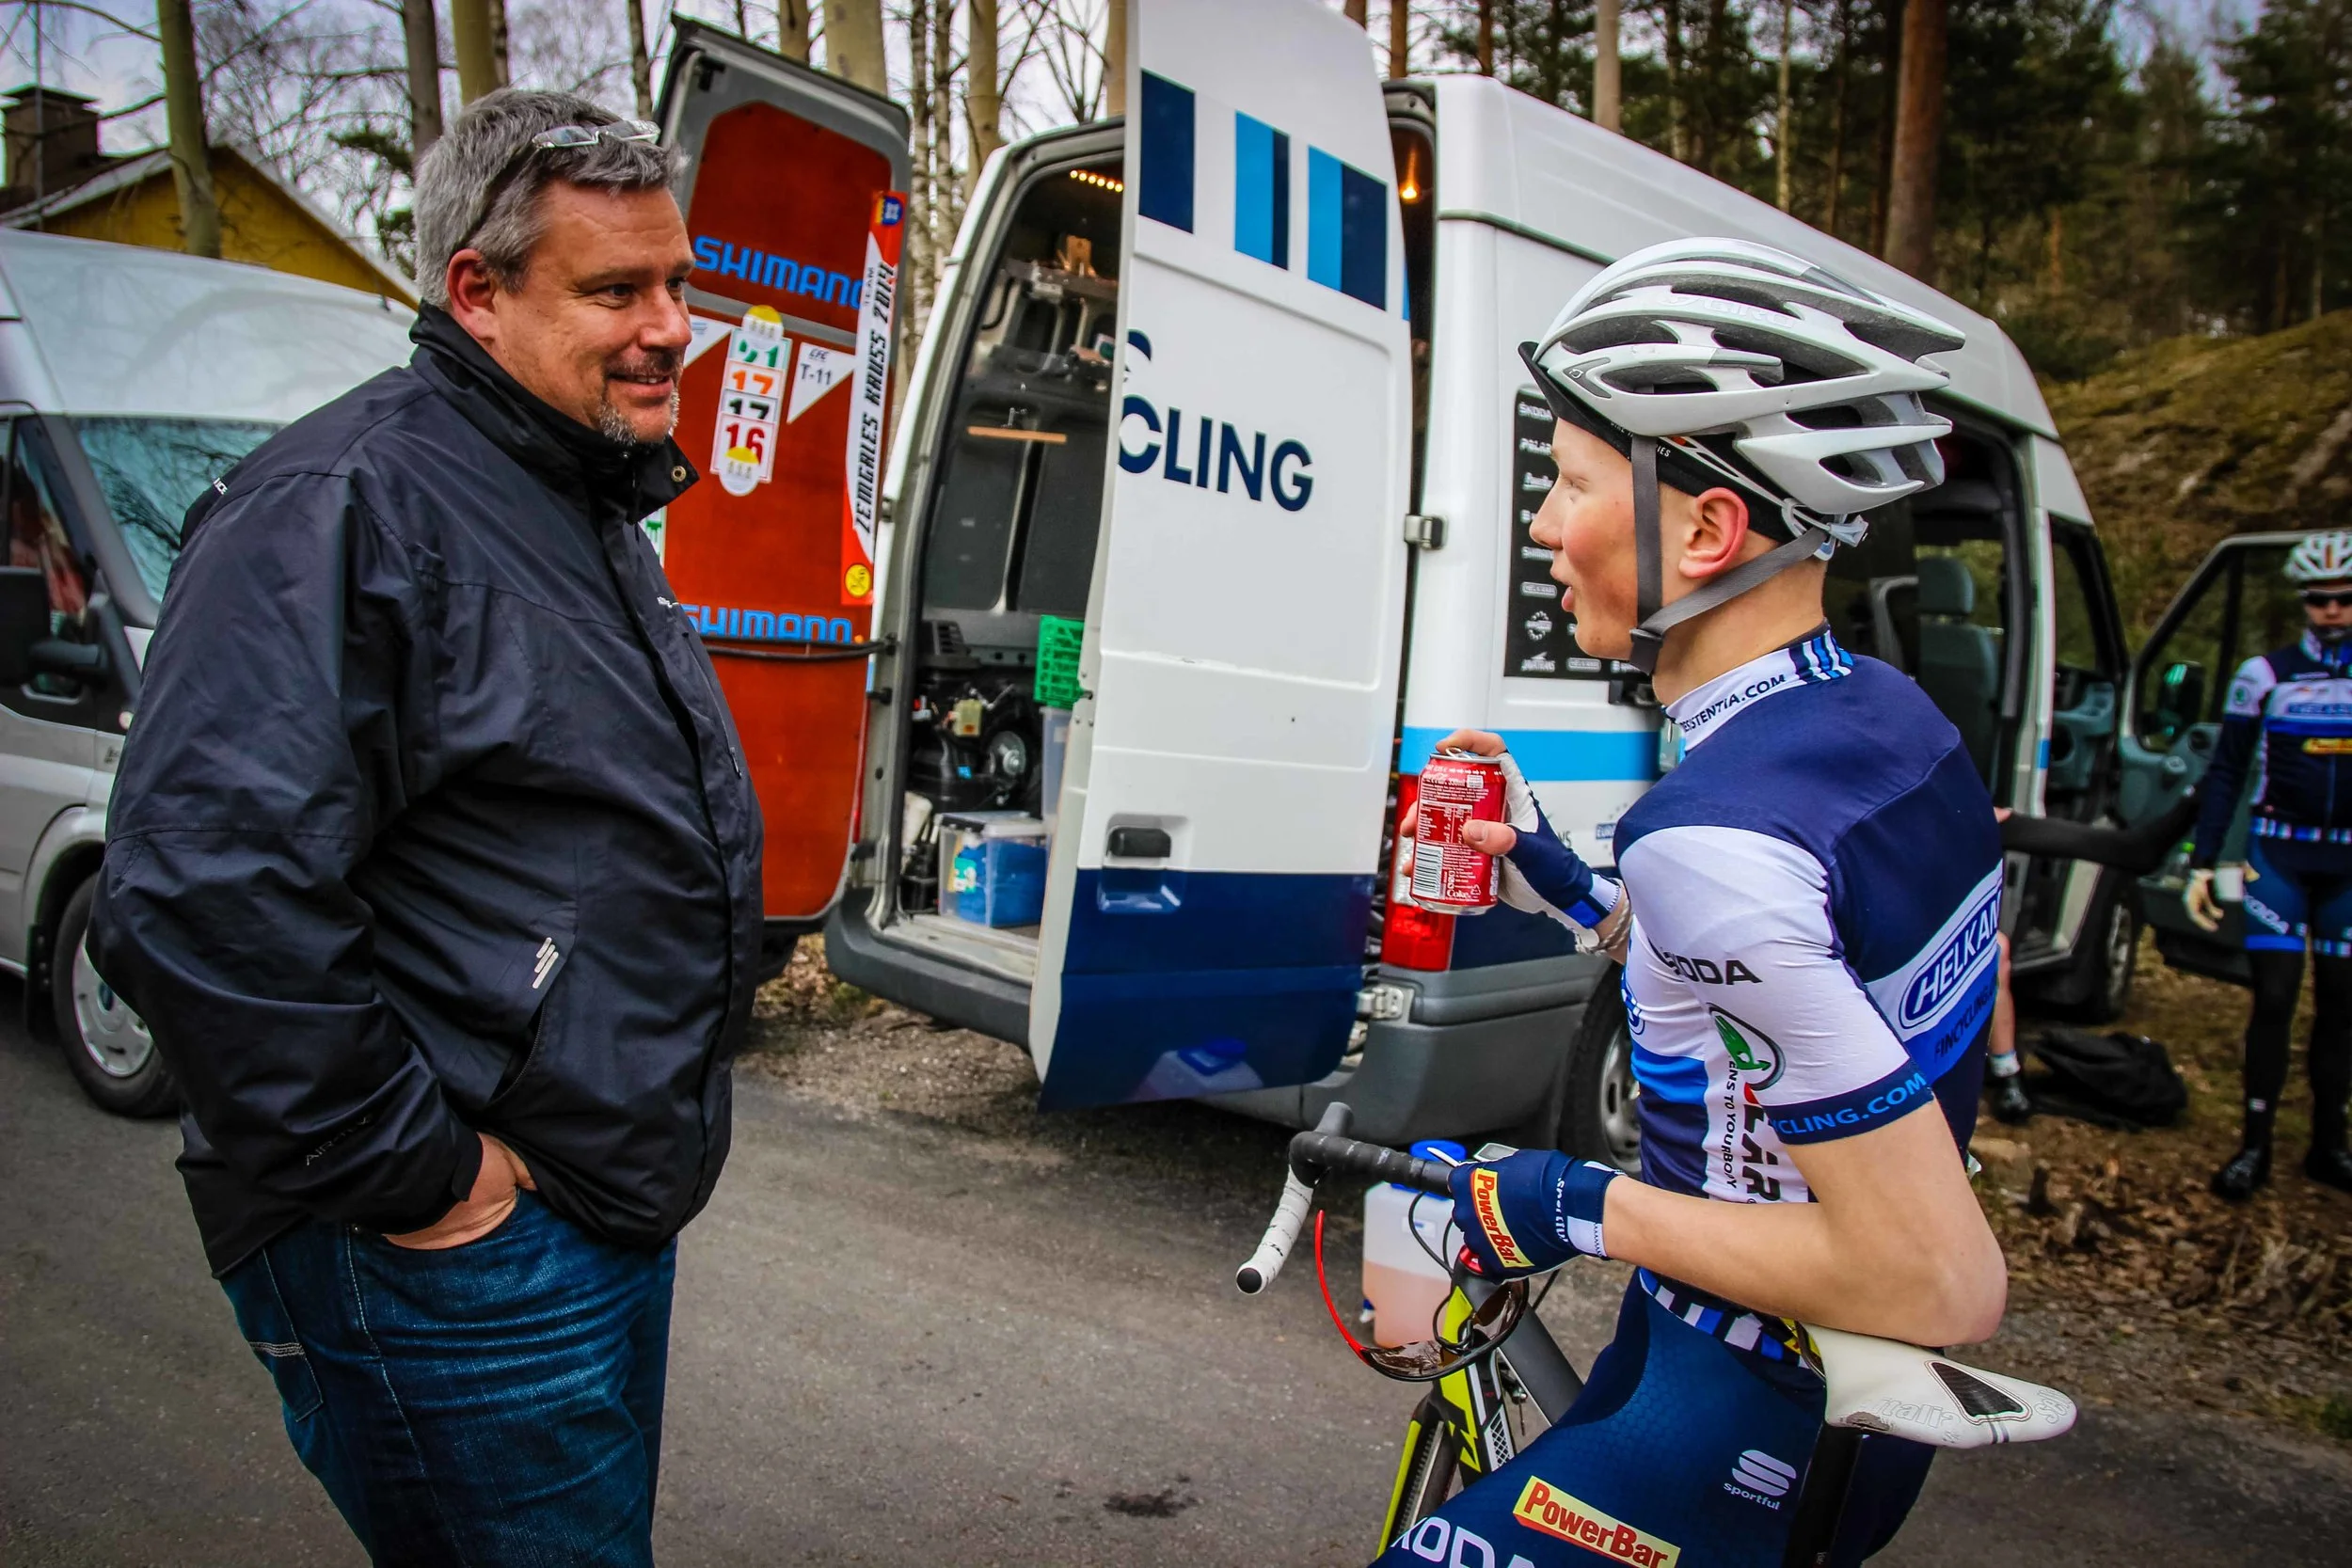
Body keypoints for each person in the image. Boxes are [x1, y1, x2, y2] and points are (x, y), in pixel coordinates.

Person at [88, 89, 761, 1566]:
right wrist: (432, 1183)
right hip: (442, 1243)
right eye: (616, 290)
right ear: (477, 289)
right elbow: (199, 889)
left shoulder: (566, 491)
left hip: (580, 1210)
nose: (671, 328)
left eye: (678, 284)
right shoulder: (346, 503)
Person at [1383, 239, 2008, 1568]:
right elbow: (1819, 984)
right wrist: (1579, 892)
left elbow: (1941, 1278)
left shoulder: (1716, 834)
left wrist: (1566, 1198)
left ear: (1708, 530)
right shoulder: (1887, 718)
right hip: (1771, 1379)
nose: (1543, 526)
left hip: (1736, 1405)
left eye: (1569, 482)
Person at [2184, 531, 2352, 1200]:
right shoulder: (2265, 675)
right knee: (2275, 998)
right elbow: (2226, 772)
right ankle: (2253, 1144)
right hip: (2278, 853)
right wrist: (2202, 861)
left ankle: (2329, 1144)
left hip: (2347, 862)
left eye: (2344, 598)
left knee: (2341, 1004)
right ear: (2302, 601)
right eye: (2319, 598)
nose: (2332, 610)